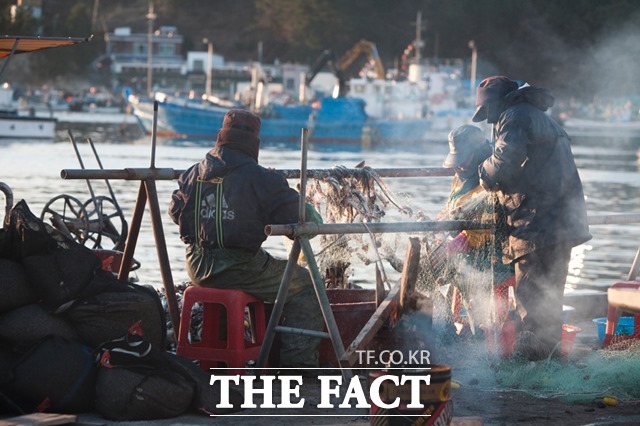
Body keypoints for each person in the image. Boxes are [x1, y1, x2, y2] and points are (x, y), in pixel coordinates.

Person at [168, 109, 324, 369]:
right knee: (307, 285)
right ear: (255, 144)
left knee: (269, 270)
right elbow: (303, 218)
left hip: (195, 263)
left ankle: (218, 357)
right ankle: (299, 367)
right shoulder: (262, 179)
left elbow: (175, 212)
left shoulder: (192, 172)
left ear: (220, 137)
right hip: (237, 267)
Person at [471, 76, 592, 360]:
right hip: (562, 223)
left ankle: (531, 367)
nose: (488, 120)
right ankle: (550, 361)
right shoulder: (537, 116)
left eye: (487, 112)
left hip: (535, 225)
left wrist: (483, 172)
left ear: (498, 103)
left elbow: (504, 161)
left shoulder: (513, 116)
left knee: (531, 299)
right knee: (550, 298)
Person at [436, 124, 514, 332]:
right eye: (457, 160)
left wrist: (456, 243)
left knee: (475, 275)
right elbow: (452, 207)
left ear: (478, 153)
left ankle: (491, 329)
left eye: (464, 159)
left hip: (494, 251)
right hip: (465, 245)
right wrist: (438, 223)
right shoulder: (460, 175)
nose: (459, 166)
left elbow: (485, 226)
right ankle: (456, 321)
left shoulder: (489, 178)